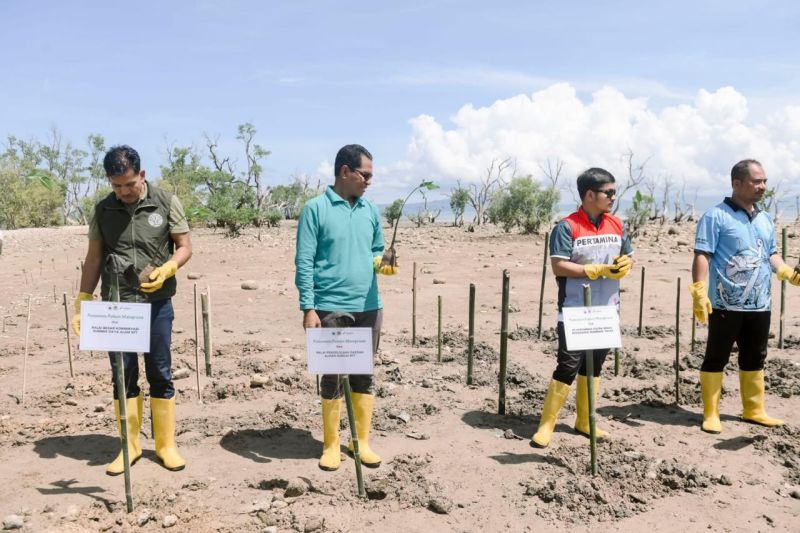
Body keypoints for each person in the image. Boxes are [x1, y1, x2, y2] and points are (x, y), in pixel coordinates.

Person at [72, 145, 192, 475]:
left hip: (156, 305)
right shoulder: (103, 210)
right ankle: (131, 445)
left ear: (142, 174)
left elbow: (184, 246)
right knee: (123, 375)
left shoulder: (165, 201)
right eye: (116, 186)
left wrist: (169, 268)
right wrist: (83, 299)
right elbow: (94, 258)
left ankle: (166, 445)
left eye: (129, 184)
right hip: (117, 306)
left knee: (160, 372)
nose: (123, 192)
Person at [295, 144, 395, 471]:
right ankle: (331, 444)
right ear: (345, 172)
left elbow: (375, 250)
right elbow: (304, 260)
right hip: (331, 307)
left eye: (370, 176)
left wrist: (384, 263)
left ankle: (360, 442)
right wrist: (308, 308)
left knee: (364, 374)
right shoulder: (315, 209)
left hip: (369, 305)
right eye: (364, 175)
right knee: (333, 377)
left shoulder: (369, 211)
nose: (368, 182)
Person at [689, 159, 795, 434]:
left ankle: (754, 410)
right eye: (756, 181)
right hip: (725, 303)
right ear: (737, 183)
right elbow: (703, 253)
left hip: (760, 304)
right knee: (716, 356)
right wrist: (699, 289)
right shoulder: (716, 216)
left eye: (764, 181)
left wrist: (786, 272)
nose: (762, 187)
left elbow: (770, 253)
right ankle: (711, 413)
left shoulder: (764, 218)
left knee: (755, 356)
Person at [531, 168, 633, 448]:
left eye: (614, 192)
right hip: (575, 309)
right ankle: (547, 424)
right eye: (608, 192)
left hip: (607, 309)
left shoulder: (617, 224)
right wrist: (594, 270)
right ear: (590, 195)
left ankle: (585, 421)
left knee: (594, 366)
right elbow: (559, 265)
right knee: (567, 366)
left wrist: (626, 264)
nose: (613, 197)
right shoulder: (566, 227)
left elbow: (628, 256)